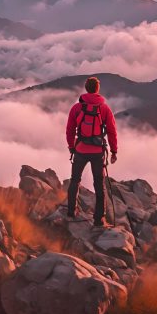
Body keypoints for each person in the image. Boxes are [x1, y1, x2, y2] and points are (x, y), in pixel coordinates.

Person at [65, 76, 118, 227]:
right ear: (97, 89)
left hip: (80, 149)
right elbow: (112, 131)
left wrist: (71, 146)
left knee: (75, 180)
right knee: (99, 185)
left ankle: (71, 211)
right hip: (97, 152)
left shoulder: (76, 108)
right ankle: (99, 219)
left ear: (86, 88)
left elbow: (70, 129)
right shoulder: (104, 109)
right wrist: (114, 151)